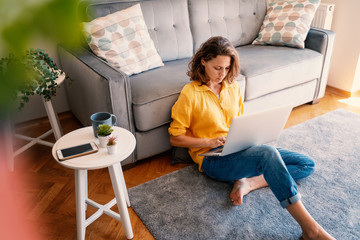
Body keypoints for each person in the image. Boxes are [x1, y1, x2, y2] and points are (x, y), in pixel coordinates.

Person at [168, 36, 335, 240]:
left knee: (306, 164)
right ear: (203, 61)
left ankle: (248, 183)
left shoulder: (233, 88)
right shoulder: (190, 93)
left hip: (238, 148)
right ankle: (311, 229)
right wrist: (208, 142)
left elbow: (239, 122)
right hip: (212, 158)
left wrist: (251, 135)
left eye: (227, 68)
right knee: (268, 154)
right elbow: (176, 138)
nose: (223, 74)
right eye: (217, 68)